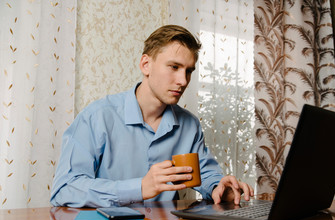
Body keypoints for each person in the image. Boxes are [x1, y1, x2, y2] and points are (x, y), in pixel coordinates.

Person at [50, 25, 254, 208]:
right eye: (174, 67)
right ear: (146, 64)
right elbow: (65, 189)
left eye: (189, 71)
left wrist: (220, 188)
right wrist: (139, 188)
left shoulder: (189, 125)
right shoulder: (97, 117)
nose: (183, 80)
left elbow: (204, 174)